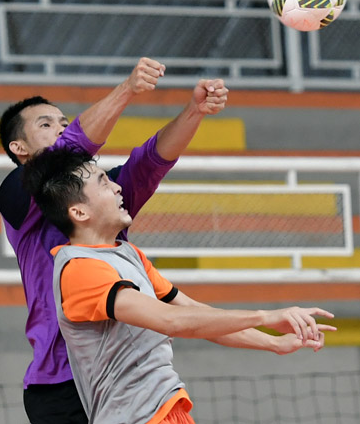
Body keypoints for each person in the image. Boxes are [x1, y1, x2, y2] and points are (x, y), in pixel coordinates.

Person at [22, 147, 337, 424]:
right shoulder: (80, 269)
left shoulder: (128, 254)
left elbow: (197, 314)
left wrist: (272, 343)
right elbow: (172, 321)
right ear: (78, 212)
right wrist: (265, 316)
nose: (118, 187)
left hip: (166, 409)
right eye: (104, 182)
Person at [0, 57, 229, 424]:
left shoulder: (105, 196)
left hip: (126, 376)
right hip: (62, 385)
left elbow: (151, 161)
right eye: (46, 124)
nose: (60, 128)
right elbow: (70, 150)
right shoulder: (17, 195)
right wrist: (128, 89)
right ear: (19, 148)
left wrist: (193, 112)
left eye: (64, 122)